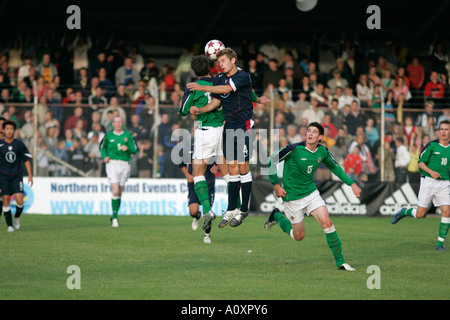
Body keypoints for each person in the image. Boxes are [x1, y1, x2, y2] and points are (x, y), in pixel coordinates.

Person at [187, 48, 271, 228]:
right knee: (232, 168)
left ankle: (244, 209)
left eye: (224, 61)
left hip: (244, 127)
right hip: (229, 126)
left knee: (243, 167)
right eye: (219, 62)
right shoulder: (219, 79)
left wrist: (202, 87)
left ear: (233, 60)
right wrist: (200, 110)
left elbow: (227, 88)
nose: (220, 64)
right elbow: (216, 101)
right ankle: (231, 208)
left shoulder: (243, 76)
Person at [264, 122, 361, 271]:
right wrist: (276, 185)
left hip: (311, 193)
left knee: (327, 223)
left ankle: (341, 262)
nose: (309, 134)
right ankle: (276, 216)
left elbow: (335, 167)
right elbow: (271, 161)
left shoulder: (322, 151)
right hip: (293, 198)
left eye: (314, 132)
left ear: (320, 137)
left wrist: (352, 184)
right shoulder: (294, 149)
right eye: (308, 131)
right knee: (299, 236)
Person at [178, 55, 229, 231]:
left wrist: (192, 106)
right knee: (227, 170)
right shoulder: (220, 81)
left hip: (207, 131)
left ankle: (207, 210)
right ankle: (236, 207)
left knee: (197, 171)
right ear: (210, 67)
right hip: (224, 129)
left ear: (194, 71)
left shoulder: (193, 87)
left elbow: (182, 110)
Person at [392, 120, 450, 251]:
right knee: (420, 214)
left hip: (444, 183)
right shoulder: (432, 145)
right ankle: (404, 212)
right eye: (442, 129)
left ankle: (439, 245)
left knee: (447, 212)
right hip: (428, 181)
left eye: (446, 129)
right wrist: (431, 172)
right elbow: (420, 163)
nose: (444, 132)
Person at [100, 116, 138, 227]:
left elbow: (134, 149)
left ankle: (115, 214)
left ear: (122, 123)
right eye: (116, 122)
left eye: (120, 122)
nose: (118, 124)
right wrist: (104, 156)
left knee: (120, 192)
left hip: (125, 164)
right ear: (113, 124)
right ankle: (115, 218)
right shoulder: (109, 135)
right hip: (112, 164)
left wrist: (128, 149)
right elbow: (103, 148)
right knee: (115, 191)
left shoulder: (127, 135)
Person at [179, 145, 217, 244]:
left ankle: (207, 235)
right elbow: (181, 163)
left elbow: (220, 162)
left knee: (207, 212)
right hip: (194, 184)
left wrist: (216, 167)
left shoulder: (212, 148)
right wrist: (188, 175)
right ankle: (197, 216)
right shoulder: (188, 149)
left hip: (208, 184)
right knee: (193, 211)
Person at [0, 120, 33, 232]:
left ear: (14, 130)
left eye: (11, 129)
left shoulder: (19, 144)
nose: (9, 131)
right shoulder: (0, 144)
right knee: (5, 200)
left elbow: (26, 160)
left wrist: (30, 175)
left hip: (16, 176)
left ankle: (17, 217)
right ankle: (9, 225)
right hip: (3, 176)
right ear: (3, 130)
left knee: (20, 201)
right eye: (7, 129)